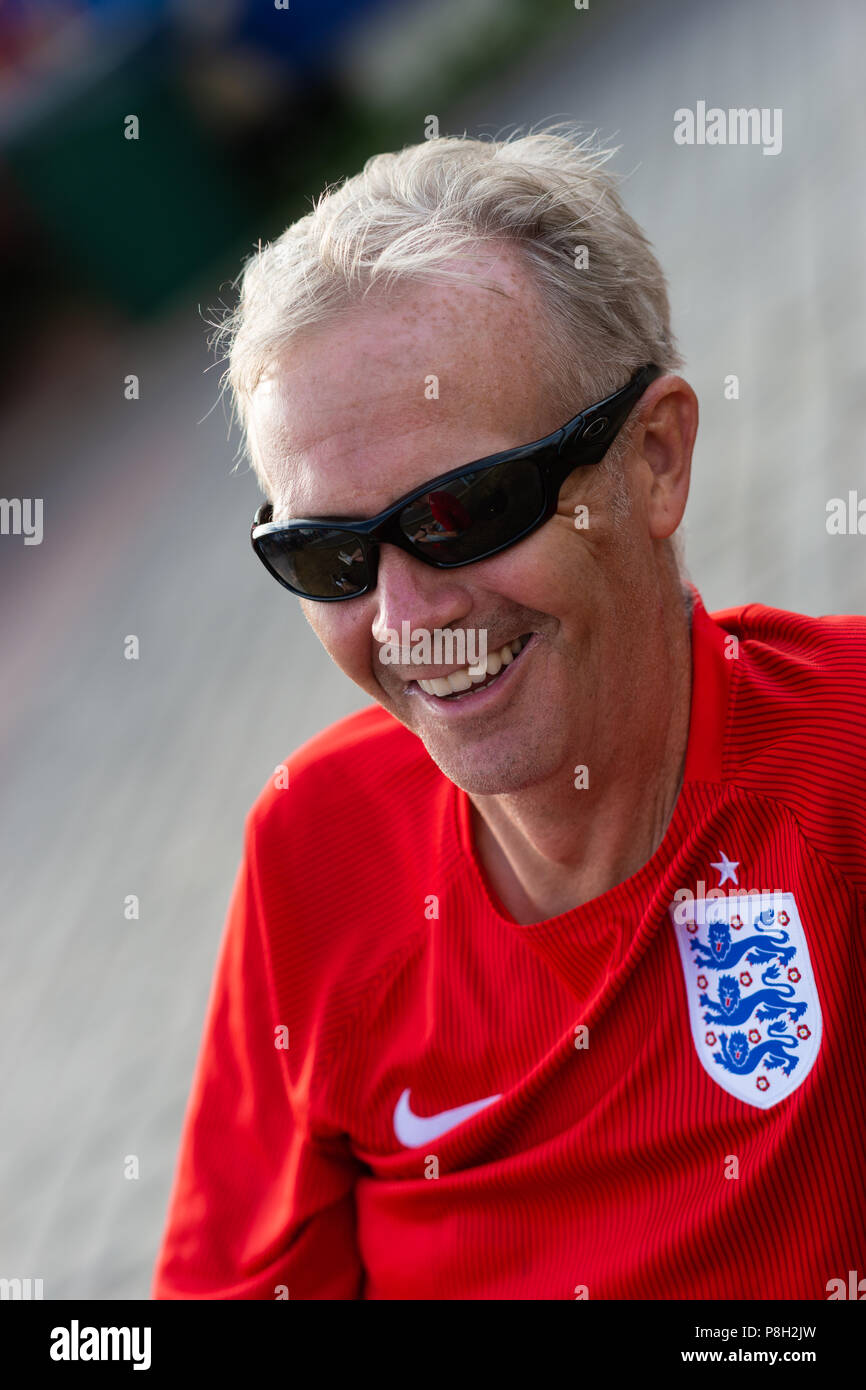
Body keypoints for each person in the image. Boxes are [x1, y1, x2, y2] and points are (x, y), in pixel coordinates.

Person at [152, 128, 866, 1300]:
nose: (402, 618)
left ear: (654, 459)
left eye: (463, 509)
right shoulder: (313, 844)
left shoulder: (837, 771)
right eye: (327, 554)